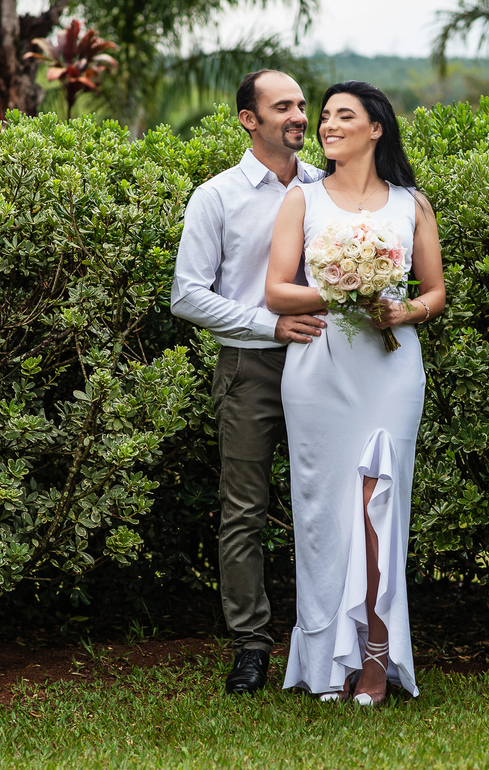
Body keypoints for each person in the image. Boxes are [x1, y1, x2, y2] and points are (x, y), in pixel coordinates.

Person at [264, 81, 445, 705]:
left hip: (390, 377)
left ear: (376, 129)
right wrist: (342, 289)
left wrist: (402, 312)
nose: (327, 126)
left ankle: (375, 658)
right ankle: (323, 658)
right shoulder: (302, 200)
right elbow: (278, 293)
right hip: (319, 375)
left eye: (344, 116)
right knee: (323, 516)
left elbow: (434, 294)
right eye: (324, 118)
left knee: (380, 511)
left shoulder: (411, 204)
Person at [171, 69, 327, 695]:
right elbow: (187, 295)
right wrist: (269, 327)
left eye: (300, 104)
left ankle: (328, 640)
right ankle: (251, 645)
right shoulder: (217, 196)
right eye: (281, 106)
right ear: (248, 119)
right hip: (249, 368)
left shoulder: (328, 190)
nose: (297, 115)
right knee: (245, 509)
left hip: (325, 364)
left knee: (330, 503)